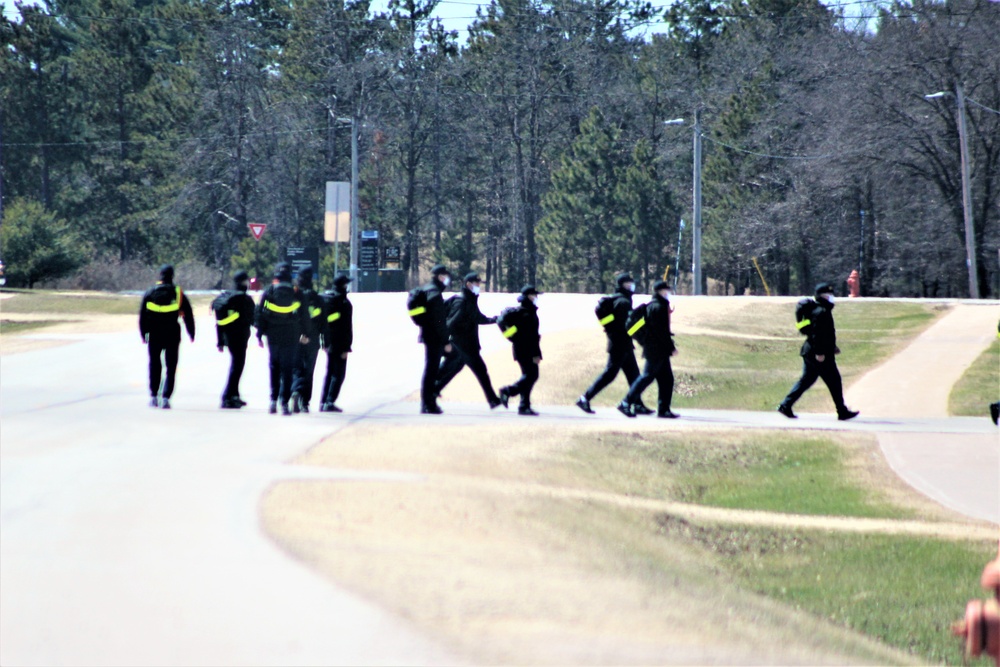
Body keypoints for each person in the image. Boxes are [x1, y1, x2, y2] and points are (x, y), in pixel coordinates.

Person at [777, 282, 859, 421]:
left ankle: (786, 405)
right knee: (834, 381)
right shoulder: (822, 312)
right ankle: (842, 411)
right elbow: (817, 334)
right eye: (829, 295)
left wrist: (832, 347)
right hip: (818, 354)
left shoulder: (820, 310)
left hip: (811, 351)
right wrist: (820, 353)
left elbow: (824, 334)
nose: (832, 298)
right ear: (822, 296)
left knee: (807, 380)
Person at [576, 272, 653, 415]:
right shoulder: (623, 302)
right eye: (628, 284)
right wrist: (643, 318)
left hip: (624, 344)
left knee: (634, 376)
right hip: (620, 344)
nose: (631, 286)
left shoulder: (621, 300)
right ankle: (584, 398)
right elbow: (628, 326)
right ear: (621, 285)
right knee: (609, 374)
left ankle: (638, 405)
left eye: (632, 283)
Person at [435, 273, 503, 409]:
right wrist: (444, 341)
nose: (479, 286)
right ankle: (493, 400)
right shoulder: (462, 302)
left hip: (468, 344)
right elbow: (450, 323)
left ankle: (433, 389)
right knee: (478, 370)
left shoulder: (470, 300)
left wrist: (496, 319)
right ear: (468, 284)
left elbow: (477, 317)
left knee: (456, 368)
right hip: (462, 345)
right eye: (477, 284)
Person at [256, 262, 311, 416]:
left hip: (273, 335)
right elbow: (305, 315)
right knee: (287, 369)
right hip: (291, 334)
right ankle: (284, 403)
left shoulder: (269, 291)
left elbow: (260, 313)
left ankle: (273, 401)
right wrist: (305, 333)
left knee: (274, 366)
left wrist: (260, 334)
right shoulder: (296, 292)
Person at [618, 280, 678, 418]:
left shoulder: (655, 306)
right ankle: (625, 402)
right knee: (646, 377)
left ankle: (664, 410)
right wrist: (671, 347)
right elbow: (662, 332)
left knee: (666, 379)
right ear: (661, 292)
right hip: (656, 349)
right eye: (667, 290)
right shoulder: (659, 307)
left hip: (656, 348)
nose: (668, 293)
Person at [139, 264, 195, 409]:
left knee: (155, 364)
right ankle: (165, 398)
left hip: (154, 334)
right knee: (171, 367)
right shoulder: (178, 293)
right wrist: (191, 332)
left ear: (160, 275)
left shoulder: (150, 292)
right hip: (172, 334)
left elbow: (143, 315)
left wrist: (143, 333)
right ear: (172, 276)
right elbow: (188, 314)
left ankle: (153, 396)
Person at [499, 285, 543, 416]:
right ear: (529, 296)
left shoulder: (523, 312)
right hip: (527, 350)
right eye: (535, 295)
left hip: (520, 349)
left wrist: (513, 337)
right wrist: (536, 354)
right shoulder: (526, 313)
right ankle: (508, 391)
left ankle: (524, 405)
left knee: (527, 376)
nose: (536, 297)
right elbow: (533, 336)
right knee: (532, 376)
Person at [216, 270, 256, 409]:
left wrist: (220, 340)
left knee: (236, 365)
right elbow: (253, 319)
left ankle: (235, 395)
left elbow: (219, 321)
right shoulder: (244, 299)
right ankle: (227, 396)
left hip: (228, 336)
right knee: (237, 367)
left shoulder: (226, 296)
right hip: (240, 337)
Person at [416, 264, 453, 414]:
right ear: (440, 277)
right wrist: (446, 341)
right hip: (434, 338)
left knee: (431, 370)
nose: (447, 279)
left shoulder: (427, 290)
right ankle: (428, 403)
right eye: (446, 276)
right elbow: (439, 321)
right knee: (431, 371)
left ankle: (428, 402)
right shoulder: (435, 294)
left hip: (427, 335)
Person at [290, 267, 326, 414]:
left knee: (296, 368)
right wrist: (326, 341)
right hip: (313, 339)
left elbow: (290, 317)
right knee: (309, 371)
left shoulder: (293, 296)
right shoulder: (317, 298)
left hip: (295, 338)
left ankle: (295, 390)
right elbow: (324, 322)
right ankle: (305, 402)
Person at [320, 274, 354, 413]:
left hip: (327, 340)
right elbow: (346, 327)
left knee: (329, 372)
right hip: (340, 342)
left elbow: (326, 320)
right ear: (344, 286)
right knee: (338, 374)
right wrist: (346, 347)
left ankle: (323, 402)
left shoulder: (326, 299)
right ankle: (330, 402)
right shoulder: (344, 303)